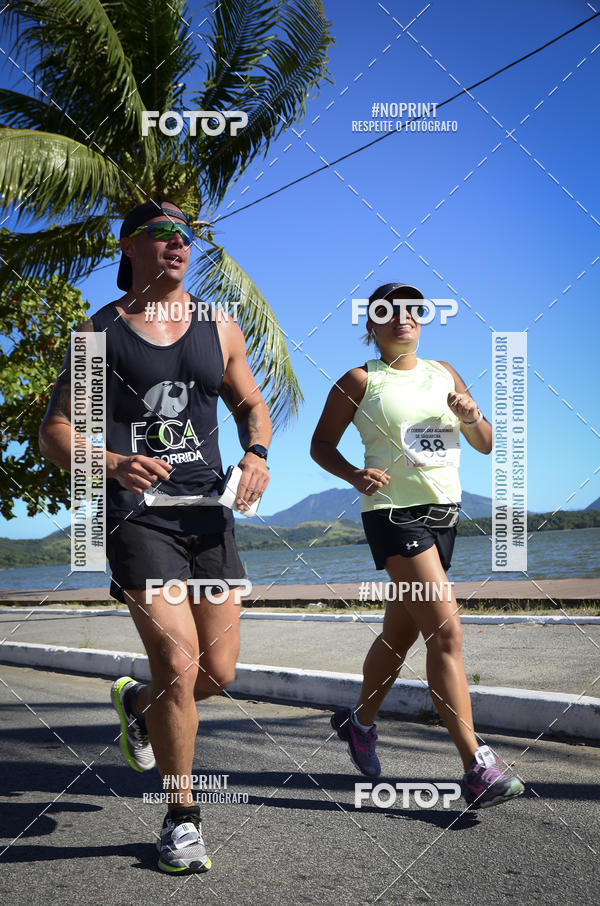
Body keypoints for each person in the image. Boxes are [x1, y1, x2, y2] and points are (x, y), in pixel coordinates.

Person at [39, 199, 272, 872]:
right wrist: (112, 462)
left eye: (186, 234)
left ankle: (136, 704)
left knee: (216, 674)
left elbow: (251, 402)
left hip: (208, 515)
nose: (178, 243)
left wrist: (256, 455)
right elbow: (55, 434)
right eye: (162, 233)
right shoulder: (100, 332)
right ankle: (181, 818)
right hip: (140, 519)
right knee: (178, 665)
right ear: (130, 247)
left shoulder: (218, 325)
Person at [310, 282, 524, 809]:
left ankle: (359, 723)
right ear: (372, 325)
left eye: (412, 310)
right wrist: (353, 474)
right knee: (446, 632)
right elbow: (320, 446)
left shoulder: (444, 372)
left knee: (398, 634)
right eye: (389, 311)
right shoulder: (361, 380)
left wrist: (471, 414)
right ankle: (476, 765)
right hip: (393, 514)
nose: (402, 318)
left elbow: (485, 442)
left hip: (444, 514)